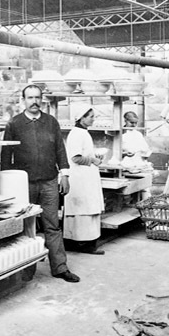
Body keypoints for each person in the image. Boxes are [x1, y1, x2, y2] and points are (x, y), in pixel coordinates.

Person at [0, 84, 80, 283]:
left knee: (52, 225)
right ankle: (26, 269)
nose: (34, 102)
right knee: (26, 226)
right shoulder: (14, 124)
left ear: (42, 99)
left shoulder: (51, 122)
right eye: (30, 98)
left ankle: (60, 267)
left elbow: (60, 150)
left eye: (37, 98)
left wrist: (65, 175)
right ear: (23, 100)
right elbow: (5, 157)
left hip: (49, 181)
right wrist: (6, 184)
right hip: (23, 184)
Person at [63, 105, 105, 255]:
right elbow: (75, 157)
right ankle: (80, 244)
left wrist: (94, 157)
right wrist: (93, 160)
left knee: (88, 211)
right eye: (91, 116)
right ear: (81, 118)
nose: (93, 119)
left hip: (86, 177)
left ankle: (87, 243)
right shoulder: (76, 134)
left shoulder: (83, 132)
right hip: (80, 179)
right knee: (82, 212)